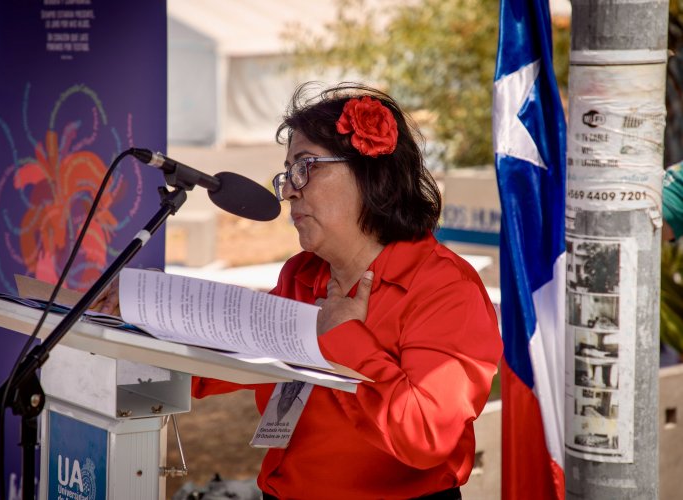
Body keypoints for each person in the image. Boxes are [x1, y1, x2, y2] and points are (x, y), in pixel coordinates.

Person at [94, 82, 502, 498]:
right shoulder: (303, 276)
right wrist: (143, 313)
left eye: (305, 167)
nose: (289, 189)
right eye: (288, 173)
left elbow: (425, 435)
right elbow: (224, 354)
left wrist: (343, 337)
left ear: (371, 175)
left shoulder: (446, 290)